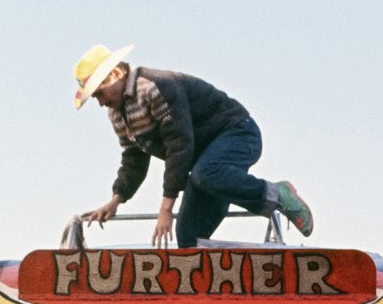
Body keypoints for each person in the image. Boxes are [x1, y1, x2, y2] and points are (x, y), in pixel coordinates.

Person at [73, 44, 313, 247]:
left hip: (238, 133)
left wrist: (166, 210)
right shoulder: (117, 114)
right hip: (205, 166)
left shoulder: (154, 85)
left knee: (204, 174)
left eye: (99, 93)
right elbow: (134, 158)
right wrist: (117, 199)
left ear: (115, 74)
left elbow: (179, 145)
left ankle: (277, 194)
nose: (101, 103)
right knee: (187, 238)